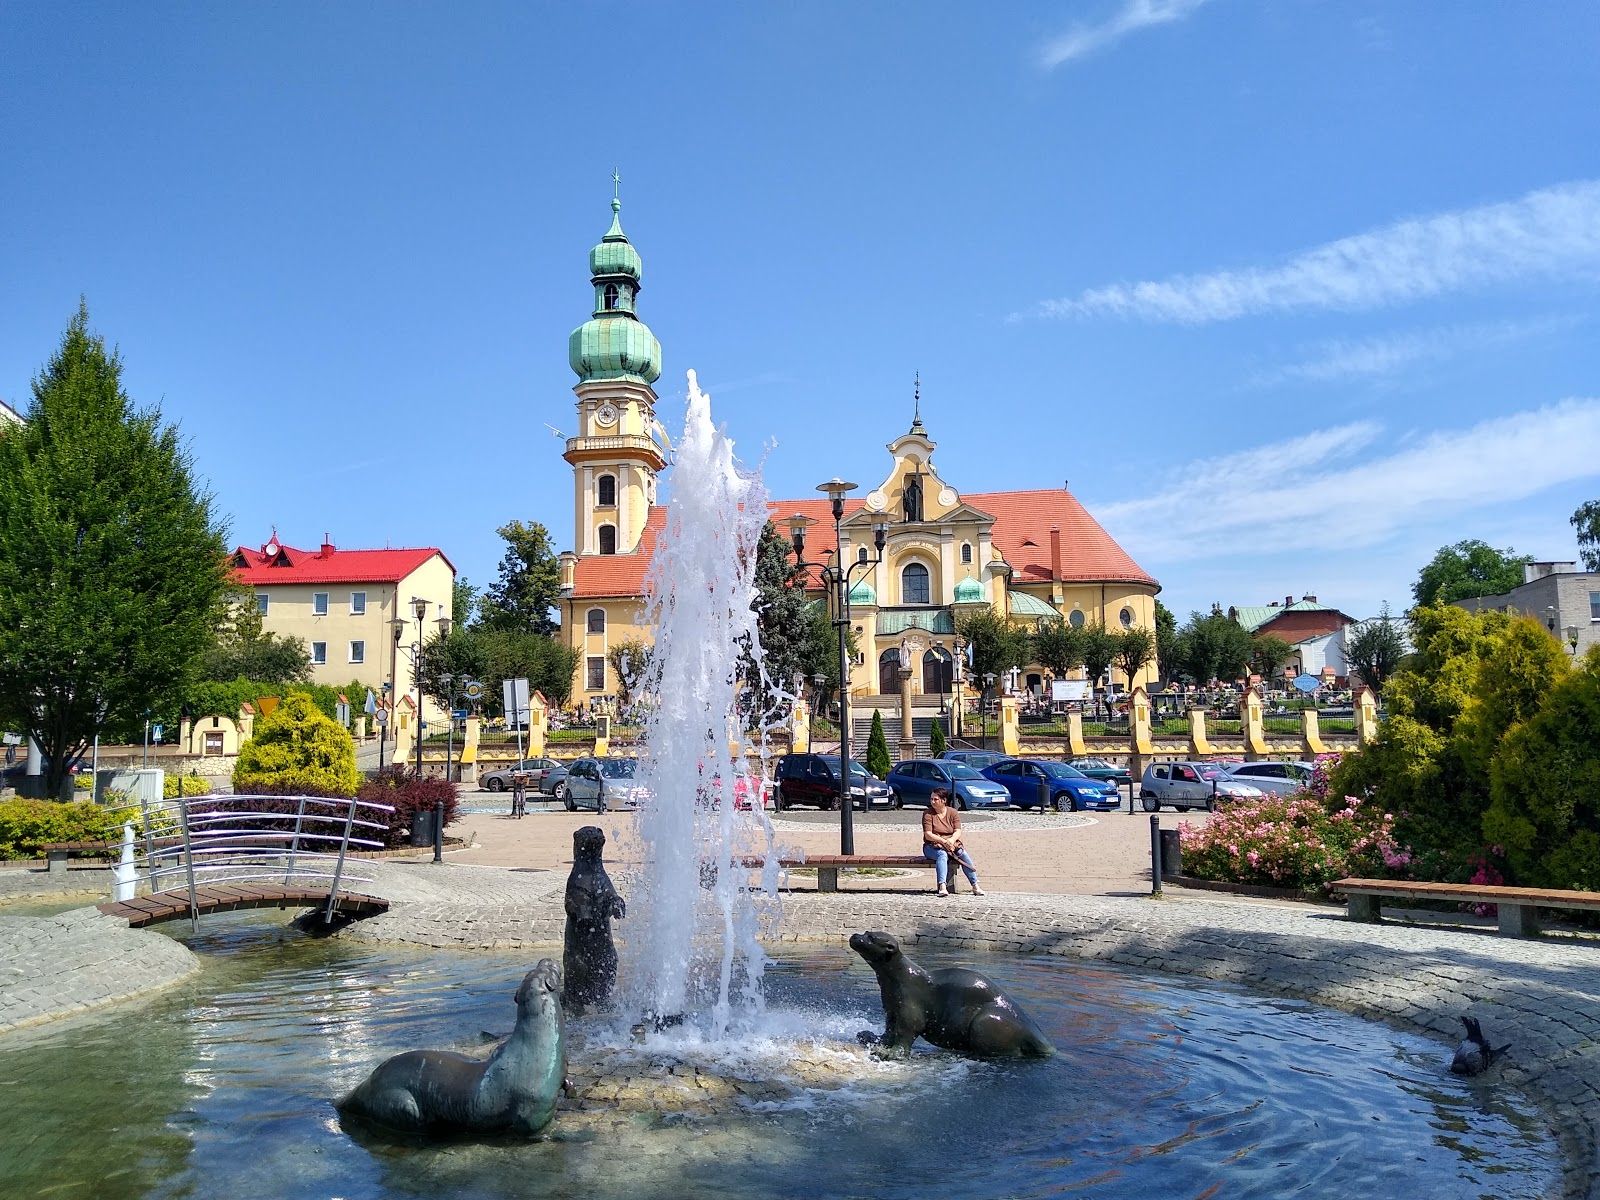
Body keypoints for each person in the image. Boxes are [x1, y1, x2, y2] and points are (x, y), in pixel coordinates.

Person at [921, 788, 983, 898]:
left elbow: (958, 830)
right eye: (931, 799)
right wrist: (944, 841)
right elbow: (928, 834)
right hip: (932, 846)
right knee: (942, 855)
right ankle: (942, 886)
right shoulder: (927, 814)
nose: (932, 801)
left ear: (944, 800)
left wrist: (951, 840)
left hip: (951, 844)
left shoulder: (953, 812)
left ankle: (975, 885)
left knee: (962, 853)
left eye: (935, 799)